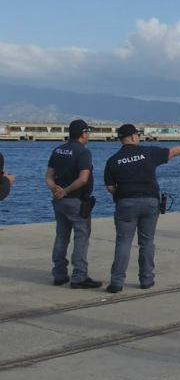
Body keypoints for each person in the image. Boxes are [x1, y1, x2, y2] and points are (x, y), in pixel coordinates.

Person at [104, 124, 180, 293]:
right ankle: (146, 279)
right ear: (134, 137)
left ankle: (116, 282)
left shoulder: (113, 160)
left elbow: (109, 187)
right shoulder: (147, 152)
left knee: (123, 242)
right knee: (147, 242)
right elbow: (172, 152)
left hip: (126, 203)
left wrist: (122, 193)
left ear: (121, 139)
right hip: (150, 202)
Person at [44, 120, 102, 288]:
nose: (89, 135)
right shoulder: (83, 152)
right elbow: (83, 179)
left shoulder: (57, 150)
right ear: (83, 133)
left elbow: (48, 177)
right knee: (81, 237)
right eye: (88, 132)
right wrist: (66, 191)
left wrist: (56, 189)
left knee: (61, 236)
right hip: (76, 200)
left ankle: (59, 274)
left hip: (59, 202)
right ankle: (79, 276)